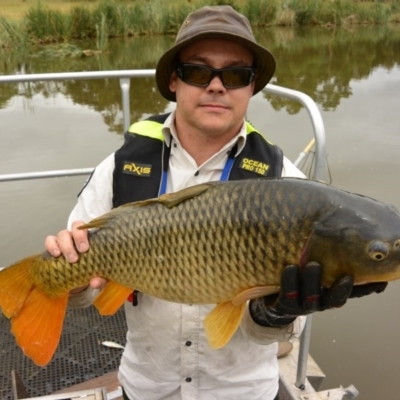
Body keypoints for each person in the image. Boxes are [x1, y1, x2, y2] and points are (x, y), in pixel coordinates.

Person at [45, 6, 387, 400]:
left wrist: (275, 312)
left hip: (243, 392)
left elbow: (269, 334)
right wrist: (69, 278)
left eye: (236, 75)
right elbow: (85, 294)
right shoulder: (120, 169)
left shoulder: (285, 183)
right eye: (197, 71)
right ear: (174, 80)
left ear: (251, 86)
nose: (216, 86)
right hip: (146, 388)